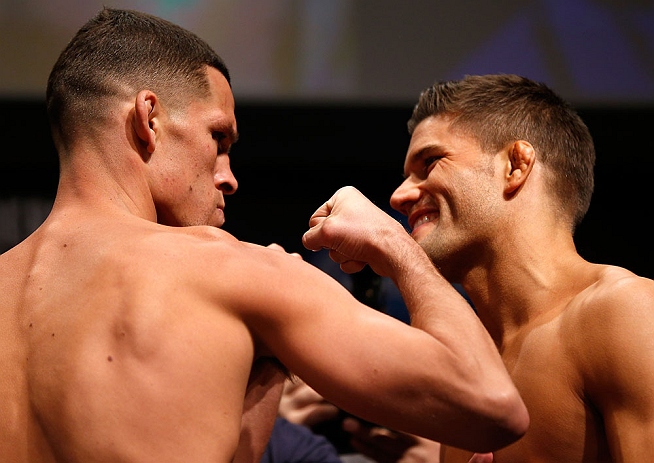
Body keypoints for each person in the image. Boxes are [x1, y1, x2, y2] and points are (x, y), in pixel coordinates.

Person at [0, 9, 529, 462]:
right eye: (218, 138)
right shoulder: (226, 269)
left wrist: (265, 364)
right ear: (149, 119)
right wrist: (394, 245)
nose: (229, 175)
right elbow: (491, 404)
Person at [306, 74, 654, 462]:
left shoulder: (627, 311)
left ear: (515, 165)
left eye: (430, 162)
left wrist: (393, 243)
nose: (399, 195)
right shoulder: (469, 367)